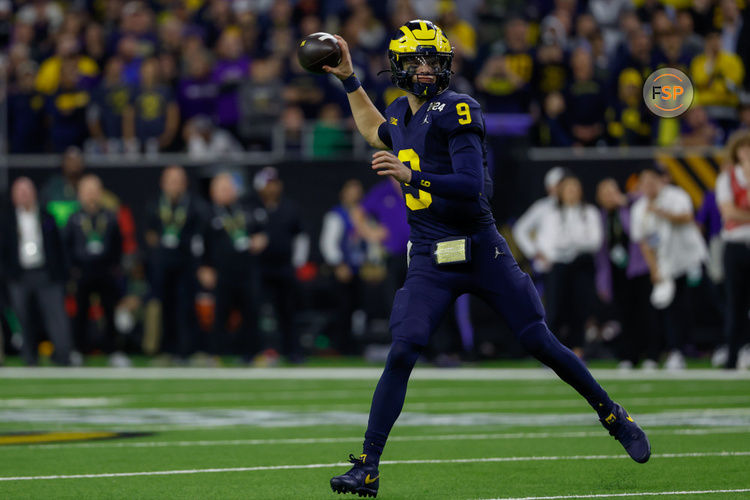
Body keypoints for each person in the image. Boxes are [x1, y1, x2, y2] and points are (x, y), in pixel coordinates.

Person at [324, 20, 650, 498]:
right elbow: (376, 128)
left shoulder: (457, 107)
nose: (427, 68)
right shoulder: (398, 112)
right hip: (432, 255)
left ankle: (612, 414)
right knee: (403, 349)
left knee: (538, 340)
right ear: (397, 65)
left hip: (480, 249)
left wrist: (413, 177)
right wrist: (349, 79)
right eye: (417, 60)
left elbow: (472, 184)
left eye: (433, 59)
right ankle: (368, 467)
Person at [630, 167, 707, 370]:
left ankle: (684, 350)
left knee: (692, 306)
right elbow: (644, 242)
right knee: (666, 307)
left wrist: (660, 212)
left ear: (661, 180)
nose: (648, 185)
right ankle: (669, 352)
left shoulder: (676, 195)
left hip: (689, 260)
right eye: (644, 181)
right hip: (665, 264)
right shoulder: (638, 208)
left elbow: (686, 217)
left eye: (652, 180)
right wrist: (654, 269)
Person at [1, 178, 72, 366]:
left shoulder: (47, 216)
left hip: (45, 274)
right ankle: (29, 357)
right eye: (20, 191)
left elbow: (58, 247)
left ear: (34, 194)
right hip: (19, 276)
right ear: (13, 196)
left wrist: (60, 274)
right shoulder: (6, 219)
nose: (24, 195)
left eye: (27, 191)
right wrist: (8, 275)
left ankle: (63, 355)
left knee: (55, 316)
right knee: (22, 317)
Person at [198, 173, 267, 360]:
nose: (227, 192)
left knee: (251, 311)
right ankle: (215, 354)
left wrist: (261, 240)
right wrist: (204, 267)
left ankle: (251, 354)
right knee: (220, 314)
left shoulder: (246, 210)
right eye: (222, 189)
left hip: (247, 269)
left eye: (230, 188)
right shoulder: (207, 214)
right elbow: (199, 244)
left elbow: (261, 232)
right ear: (213, 192)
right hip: (221, 271)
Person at [536, 175, 602, 358]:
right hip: (558, 266)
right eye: (568, 188)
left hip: (582, 265)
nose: (572, 192)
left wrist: (571, 243)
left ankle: (577, 351)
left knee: (579, 308)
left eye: (575, 188)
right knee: (555, 309)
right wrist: (556, 251)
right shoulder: (552, 214)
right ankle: (552, 352)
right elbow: (546, 242)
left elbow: (594, 241)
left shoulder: (589, 212)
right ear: (561, 192)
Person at [143, 166, 204, 360]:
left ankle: (188, 351)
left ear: (185, 183)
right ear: (163, 183)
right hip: (162, 265)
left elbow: (199, 237)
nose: (174, 185)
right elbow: (149, 234)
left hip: (186, 264)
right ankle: (167, 350)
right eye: (171, 180)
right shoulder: (154, 205)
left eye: (178, 180)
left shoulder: (195, 206)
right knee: (165, 307)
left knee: (186, 307)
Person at [595, 178, 657, 369]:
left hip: (638, 269)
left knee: (646, 313)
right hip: (617, 274)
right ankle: (629, 356)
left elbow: (635, 231)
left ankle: (652, 355)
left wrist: (624, 202)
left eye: (612, 191)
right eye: (605, 194)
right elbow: (602, 253)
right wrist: (602, 282)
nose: (609, 197)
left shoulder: (631, 206)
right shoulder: (602, 218)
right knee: (625, 315)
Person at [63, 174, 124, 364]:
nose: (90, 195)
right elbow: (67, 246)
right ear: (80, 194)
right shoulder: (74, 218)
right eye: (86, 191)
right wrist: (72, 269)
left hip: (105, 271)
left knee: (109, 313)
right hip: (82, 271)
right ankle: (78, 351)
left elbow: (118, 244)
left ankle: (113, 352)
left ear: (100, 193)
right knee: (80, 312)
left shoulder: (109, 216)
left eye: (94, 191)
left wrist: (114, 267)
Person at [253, 167, 309, 362]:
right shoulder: (252, 208)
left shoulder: (289, 208)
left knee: (287, 310)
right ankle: (261, 350)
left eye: (274, 183)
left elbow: (301, 236)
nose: (272, 188)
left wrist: (298, 263)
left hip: (284, 267)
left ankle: (291, 351)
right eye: (268, 184)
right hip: (259, 268)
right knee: (259, 311)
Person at [320, 179, 371, 354]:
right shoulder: (336, 215)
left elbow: (369, 242)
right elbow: (328, 243)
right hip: (343, 270)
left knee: (359, 309)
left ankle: (354, 345)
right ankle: (338, 345)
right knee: (342, 308)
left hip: (360, 269)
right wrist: (338, 264)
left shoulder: (364, 215)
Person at [716, 130, 750, 369]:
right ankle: (732, 354)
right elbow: (728, 213)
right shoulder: (726, 178)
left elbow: (737, 213)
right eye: (744, 148)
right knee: (735, 302)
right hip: (735, 246)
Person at [512, 166, 565, 274]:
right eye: (558, 185)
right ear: (549, 188)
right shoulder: (542, 207)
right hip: (545, 267)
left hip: (568, 265)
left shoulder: (574, 208)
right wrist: (534, 252)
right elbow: (519, 229)